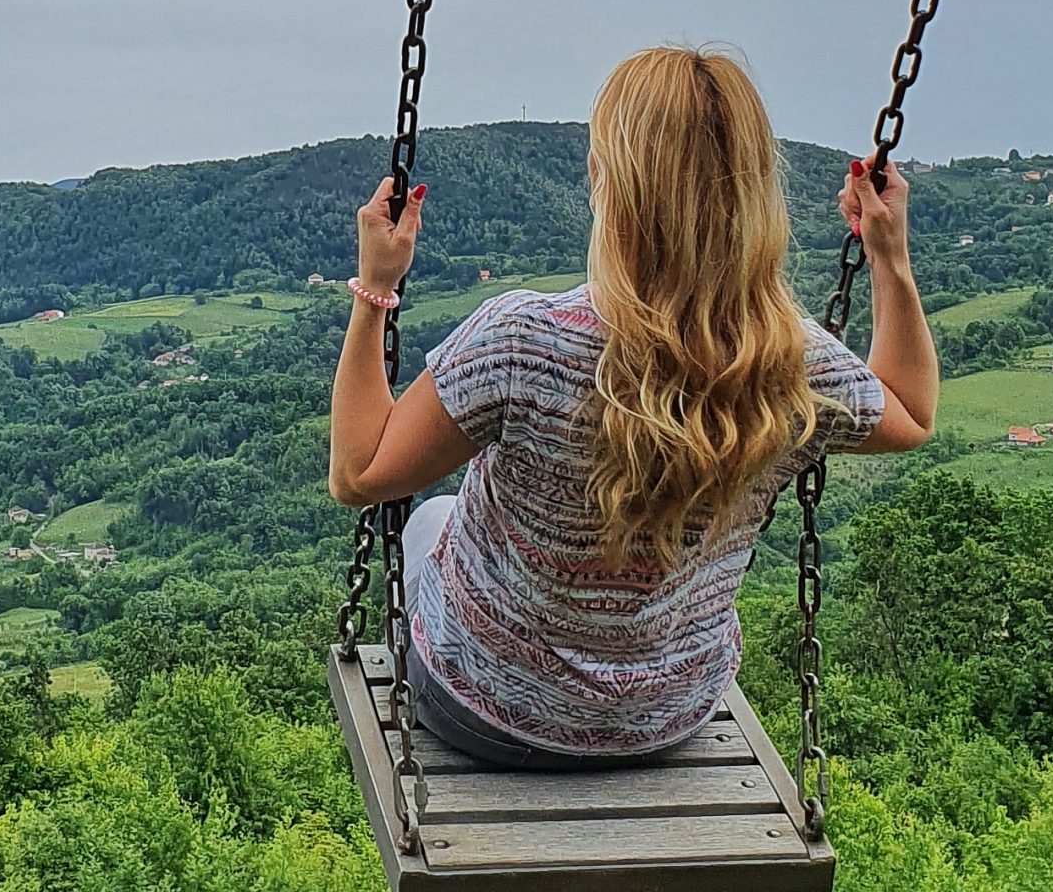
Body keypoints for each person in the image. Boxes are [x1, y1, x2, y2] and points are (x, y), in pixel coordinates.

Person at [326, 45, 939, 784]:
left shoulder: (522, 341)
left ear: (607, 184)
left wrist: (374, 289)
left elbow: (359, 473)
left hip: (484, 713)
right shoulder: (788, 362)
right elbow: (909, 411)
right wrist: (889, 257)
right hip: (669, 716)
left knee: (432, 517)